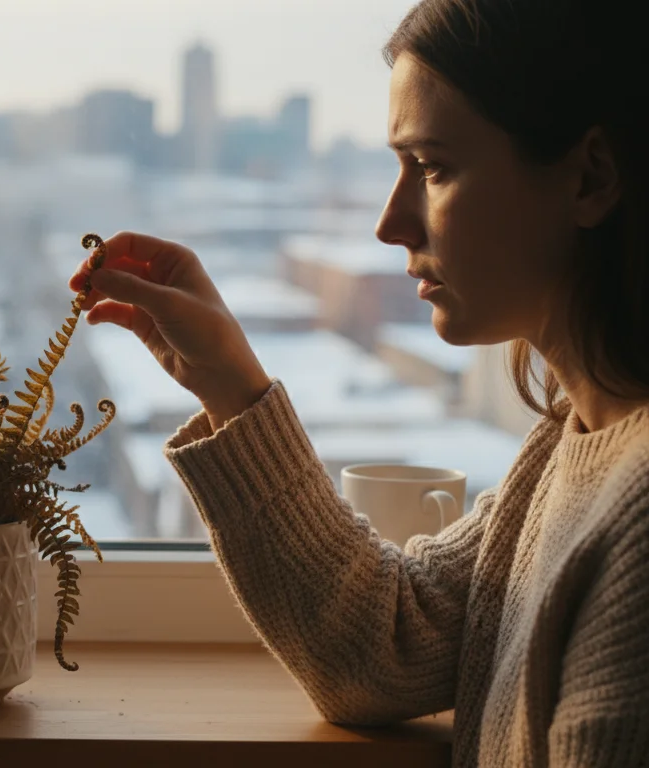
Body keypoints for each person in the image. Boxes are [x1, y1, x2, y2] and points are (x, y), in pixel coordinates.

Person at [69, 0, 649, 765]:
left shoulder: (635, 525)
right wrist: (230, 386)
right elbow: (383, 648)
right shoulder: (567, 447)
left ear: (590, 178)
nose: (390, 222)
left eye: (433, 168)